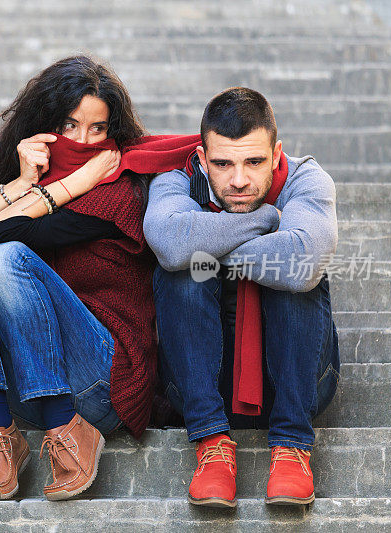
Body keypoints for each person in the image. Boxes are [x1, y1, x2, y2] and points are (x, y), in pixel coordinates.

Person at [0, 55, 196, 501]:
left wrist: (84, 179)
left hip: (103, 383)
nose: (84, 141)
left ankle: (67, 431)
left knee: (7, 257)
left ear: (115, 131)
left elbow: (2, 234)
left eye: (98, 129)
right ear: (42, 127)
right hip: (29, 380)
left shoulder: (119, 188)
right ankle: (1, 434)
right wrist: (21, 181)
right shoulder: (31, 183)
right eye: (69, 126)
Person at [143, 87, 340, 507]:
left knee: (294, 277)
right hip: (202, 385)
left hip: (297, 382)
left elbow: (303, 261)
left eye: (254, 161)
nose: (238, 180)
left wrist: (205, 250)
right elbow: (170, 243)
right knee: (180, 273)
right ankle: (212, 445)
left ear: (276, 152)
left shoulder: (306, 178)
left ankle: (292, 446)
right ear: (201, 158)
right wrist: (269, 221)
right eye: (222, 163)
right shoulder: (176, 180)